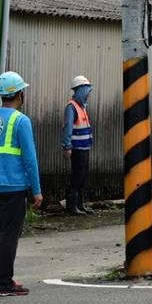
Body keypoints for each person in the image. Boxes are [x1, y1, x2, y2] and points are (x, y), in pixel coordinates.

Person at [0, 71, 43, 297]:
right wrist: (36, 190)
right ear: (20, 94)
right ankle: (4, 282)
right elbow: (29, 158)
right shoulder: (20, 121)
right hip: (13, 186)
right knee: (8, 234)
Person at [61, 74, 93, 216]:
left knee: (84, 175)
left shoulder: (82, 107)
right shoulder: (71, 107)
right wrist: (67, 146)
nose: (88, 95)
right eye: (87, 91)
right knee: (77, 176)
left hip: (84, 147)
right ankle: (71, 206)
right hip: (77, 148)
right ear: (81, 90)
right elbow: (67, 128)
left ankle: (80, 205)